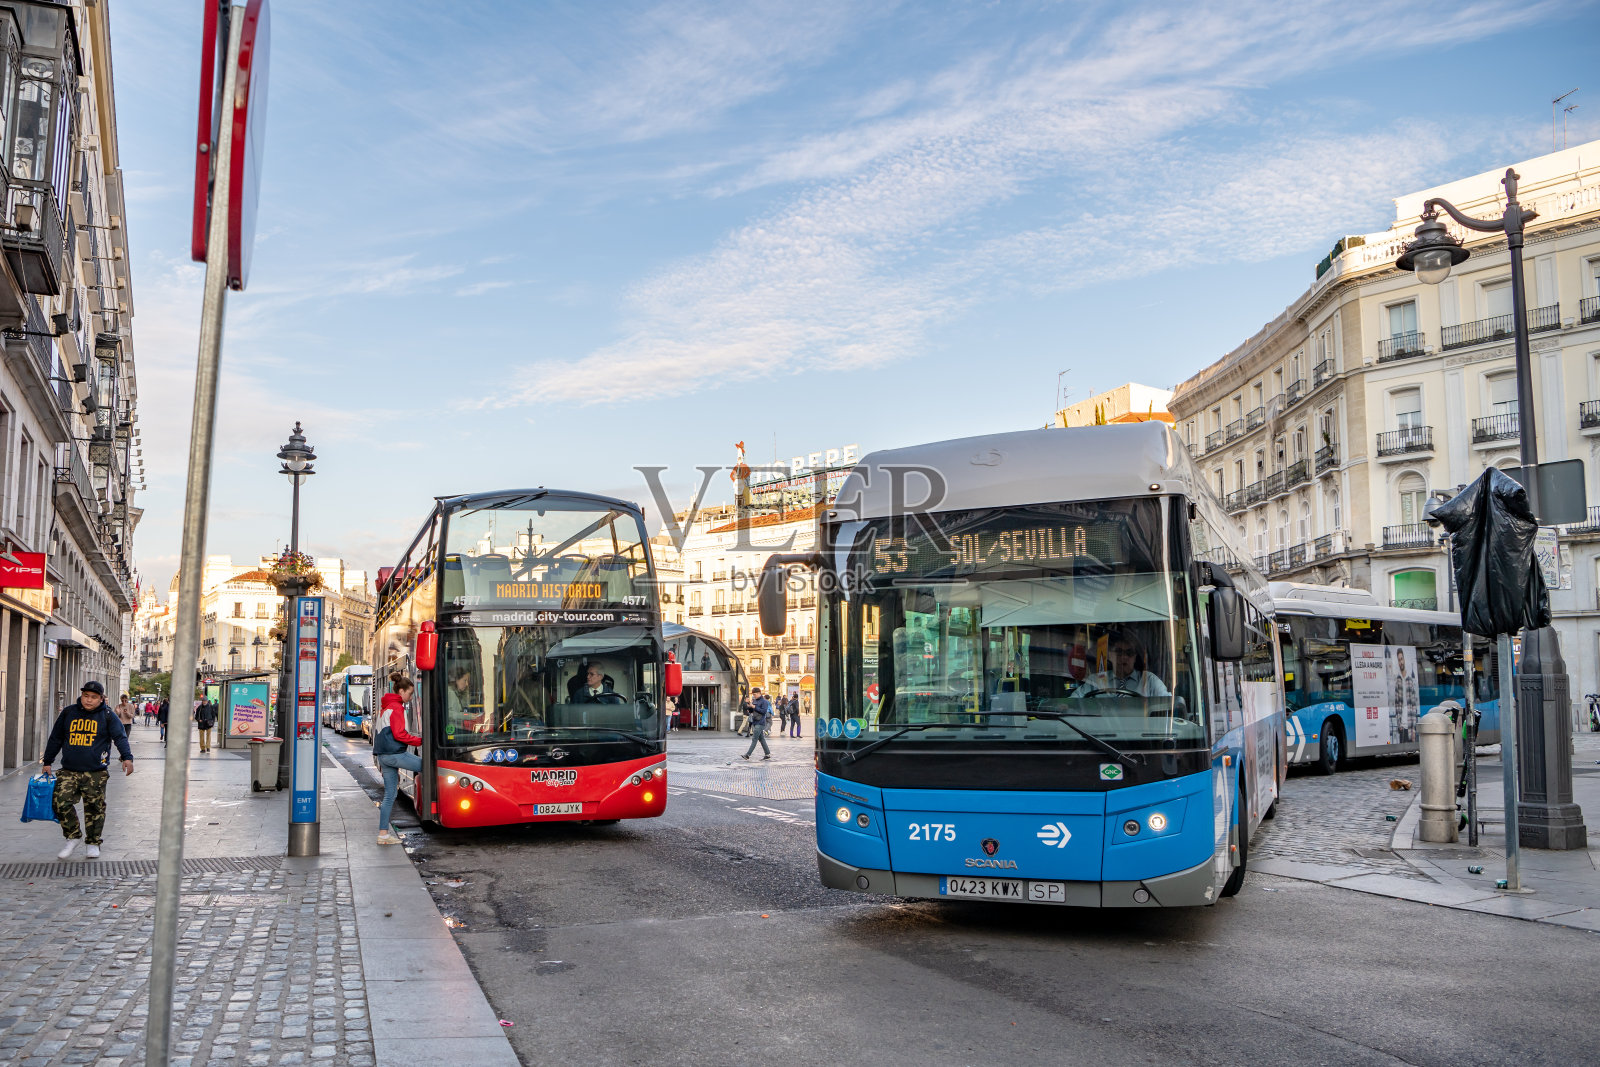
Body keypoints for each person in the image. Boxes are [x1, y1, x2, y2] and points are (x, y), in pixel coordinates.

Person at [40, 681, 133, 860]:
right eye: (86, 696)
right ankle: (73, 836)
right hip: (69, 770)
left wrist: (127, 758)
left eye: (93, 697)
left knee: (95, 808)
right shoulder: (69, 712)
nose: (88, 700)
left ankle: (93, 842)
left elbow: (120, 737)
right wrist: (48, 761)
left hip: (95, 771)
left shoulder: (107, 716)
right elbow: (56, 738)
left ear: (101, 699)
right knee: (60, 802)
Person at [373, 674, 424, 845]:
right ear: (401, 691)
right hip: (395, 755)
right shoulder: (396, 707)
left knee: (390, 795)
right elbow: (400, 734)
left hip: (383, 756)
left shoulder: (385, 707)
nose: (410, 698)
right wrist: (421, 741)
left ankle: (383, 835)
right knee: (428, 766)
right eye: (409, 694)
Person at [1078, 632, 1171, 698]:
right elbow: (1072, 702)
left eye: (1129, 653)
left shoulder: (1150, 681)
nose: (1123, 657)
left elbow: (1169, 705)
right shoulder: (1095, 681)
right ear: (1110, 655)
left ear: (1135, 657)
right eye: (1118, 652)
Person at [741, 689, 772, 761]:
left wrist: (754, 707)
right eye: (753, 694)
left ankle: (747, 755)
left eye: (754, 694)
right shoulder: (755, 701)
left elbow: (764, 711)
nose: (753, 696)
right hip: (755, 721)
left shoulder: (764, 701)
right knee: (761, 739)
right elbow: (753, 711)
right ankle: (767, 754)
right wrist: (750, 707)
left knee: (754, 739)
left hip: (760, 722)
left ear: (759, 693)